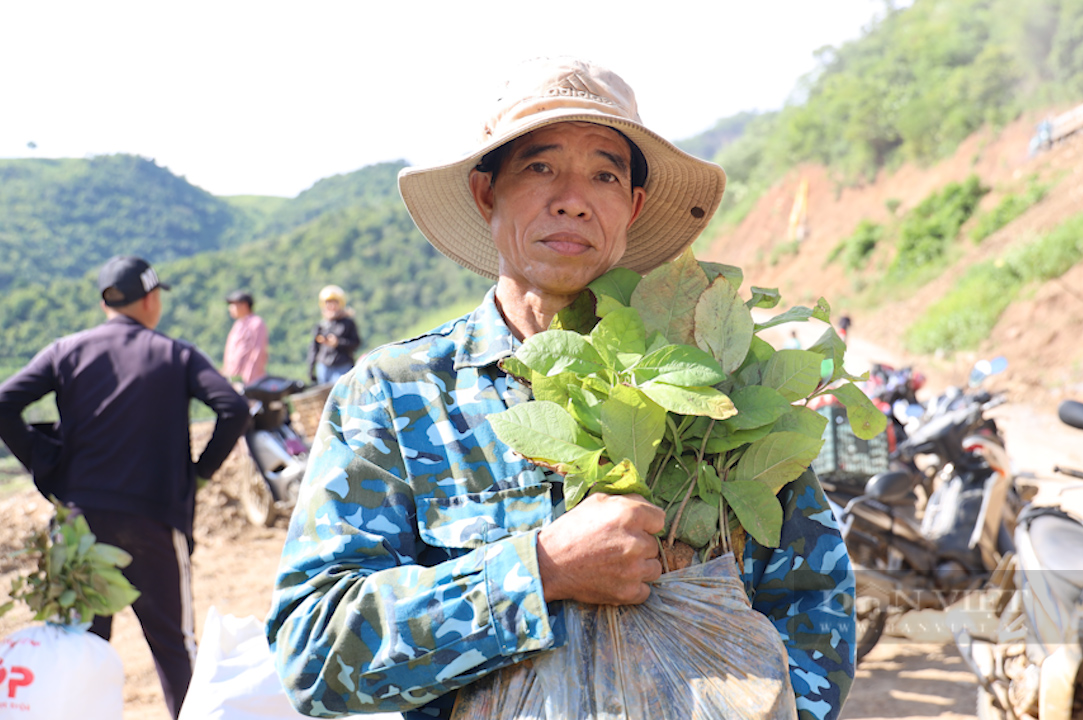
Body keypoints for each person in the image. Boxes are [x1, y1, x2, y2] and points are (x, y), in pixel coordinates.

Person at [266, 58, 856, 720]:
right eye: (540, 167)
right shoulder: (397, 396)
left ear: (631, 207)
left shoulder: (715, 393)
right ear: (487, 193)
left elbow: (815, 615)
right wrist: (539, 572)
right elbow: (314, 654)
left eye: (605, 174)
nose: (573, 197)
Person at [0, 255, 250, 719]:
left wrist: (47, 466)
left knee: (77, 648)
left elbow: (4, 403)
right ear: (152, 299)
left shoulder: (66, 351)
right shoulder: (176, 354)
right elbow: (232, 408)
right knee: (174, 647)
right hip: (154, 521)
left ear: (105, 303)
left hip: (81, 528)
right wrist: (198, 473)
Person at [305, 285, 360, 384]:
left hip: (343, 364)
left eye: (334, 303)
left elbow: (356, 343)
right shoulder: (321, 325)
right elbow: (314, 348)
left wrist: (338, 343)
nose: (331, 306)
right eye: (328, 303)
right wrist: (310, 368)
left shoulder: (347, 323)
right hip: (323, 366)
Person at [222, 289, 269, 386]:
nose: (230, 308)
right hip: (234, 380)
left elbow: (257, 352)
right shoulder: (238, 325)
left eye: (233, 305)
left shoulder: (256, 324)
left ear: (244, 305)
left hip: (249, 381)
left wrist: (249, 380)